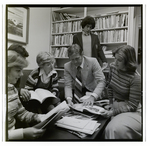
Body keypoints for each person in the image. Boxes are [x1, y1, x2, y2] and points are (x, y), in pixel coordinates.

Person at [100, 45, 142, 140]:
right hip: (116, 104)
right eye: (115, 59)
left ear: (128, 62)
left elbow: (132, 106)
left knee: (113, 129)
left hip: (131, 111)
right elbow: (110, 86)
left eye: (119, 60)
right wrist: (111, 103)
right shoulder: (113, 67)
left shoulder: (135, 78)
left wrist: (113, 112)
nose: (115, 62)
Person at [7, 50, 46, 140]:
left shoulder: (12, 89)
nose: (21, 74)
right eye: (18, 70)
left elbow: (22, 114)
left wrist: (42, 117)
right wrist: (22, 133)